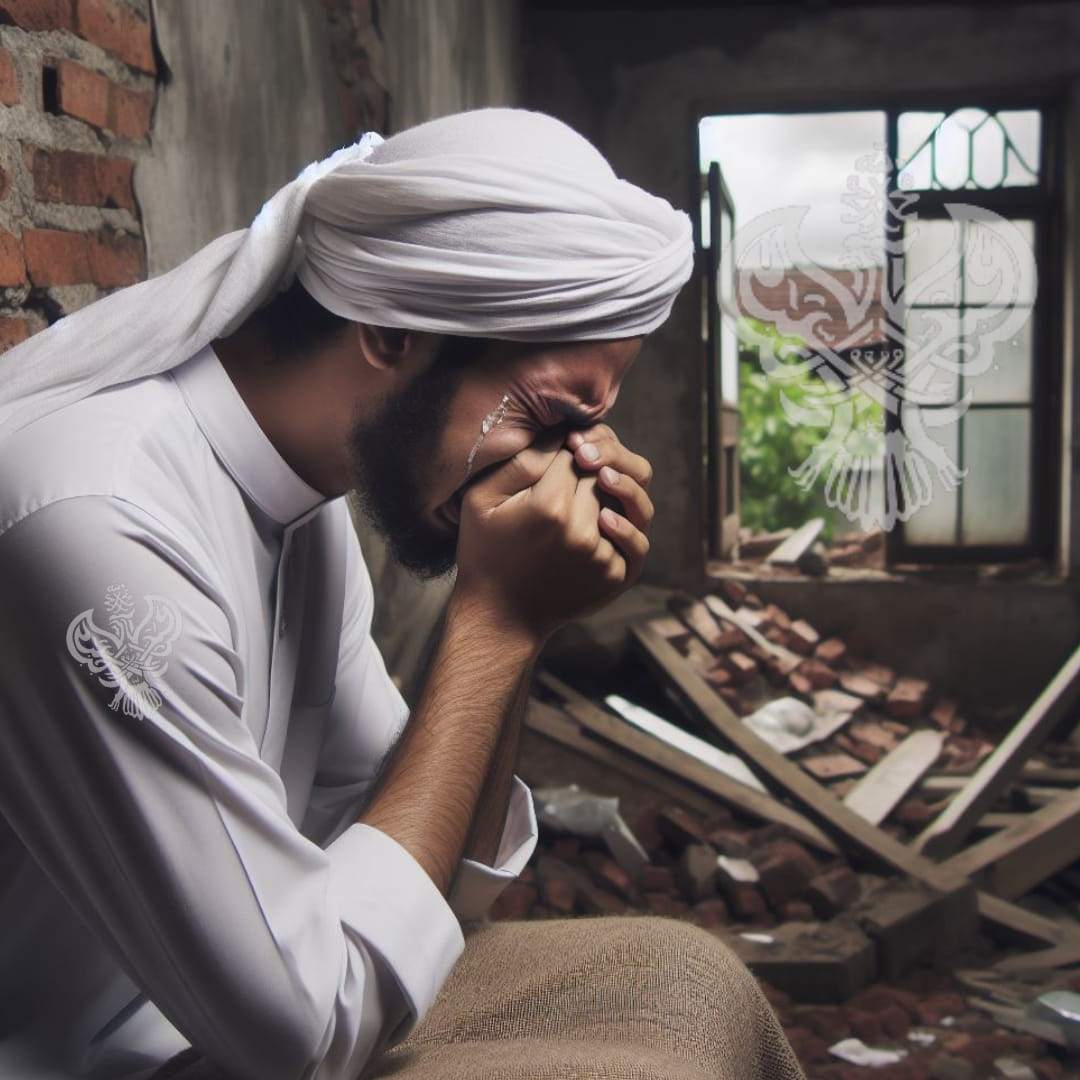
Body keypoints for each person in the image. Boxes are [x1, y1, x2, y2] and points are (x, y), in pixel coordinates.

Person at [0, 109, 804, 1080]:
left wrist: (526, 617)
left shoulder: (307, 503)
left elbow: (431, 874)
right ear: (390, 329)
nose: (575, 465)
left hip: (231, 1019)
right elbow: (304, 1033)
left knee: (688, 968)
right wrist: (495, 624)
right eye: (554, 415)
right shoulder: (102, 524)